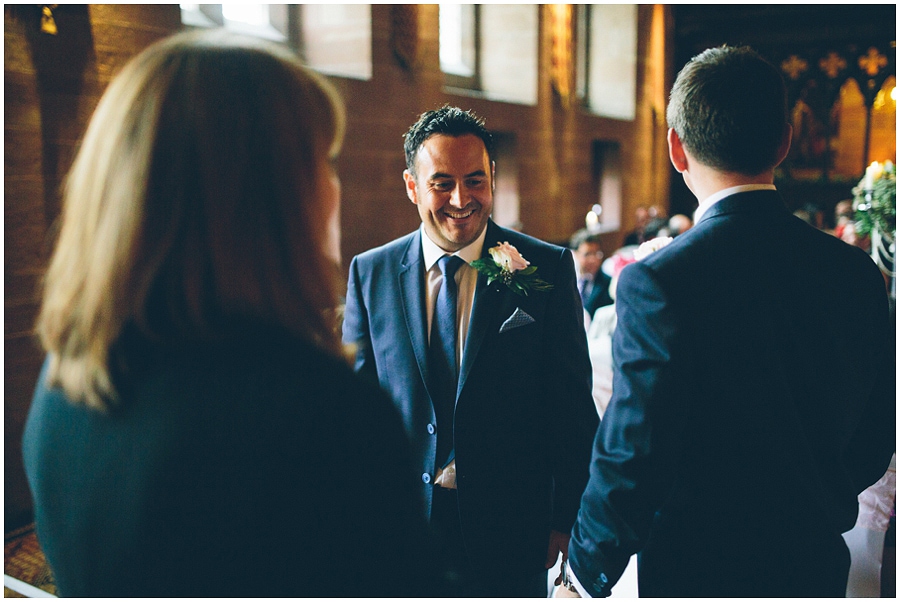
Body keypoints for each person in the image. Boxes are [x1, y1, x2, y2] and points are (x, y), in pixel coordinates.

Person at [22, 30, 435, 597]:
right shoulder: (323, 417)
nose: (334, 188)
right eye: (323, 162)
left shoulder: (64, 378)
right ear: (269, 195)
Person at [563, 45, 895, 598]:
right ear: (786, 141)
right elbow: (876, 429)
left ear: (676, 148)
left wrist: (583, 571)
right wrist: (812, 497)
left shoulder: (659, 282)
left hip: (697, 568)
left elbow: (632, 453)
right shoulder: (856, 273)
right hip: (811, 562)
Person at [342, 105, 598, 596]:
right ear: (412, 185)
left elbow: (570, 409)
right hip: (402, 527)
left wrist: (567, 522)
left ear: (493, 178)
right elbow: (358, 412)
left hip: (511, 530)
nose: (461, 199)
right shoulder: (370, 273)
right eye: (441, 183)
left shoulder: (544, 267)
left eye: (475, 180)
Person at [570, 229, 614, 323]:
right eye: (588, 254)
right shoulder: (568, 279)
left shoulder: (608, 283)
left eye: (597, 254)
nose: (593, 259)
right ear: (575, 254)